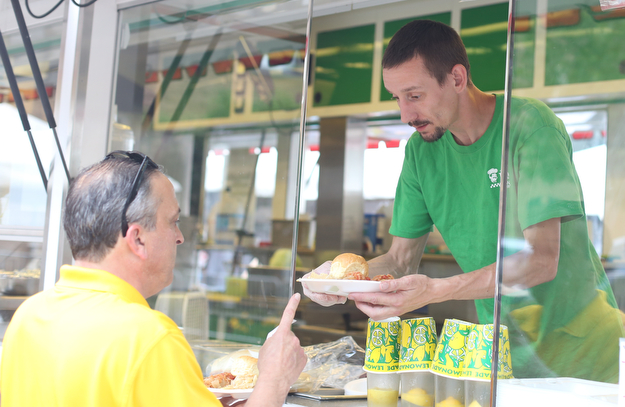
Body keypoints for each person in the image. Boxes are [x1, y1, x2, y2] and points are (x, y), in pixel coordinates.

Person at [303, 20, 625, 382]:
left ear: (457, 78)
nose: (405, 116)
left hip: (587, 360)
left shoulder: (530, 127)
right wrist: (342, 281)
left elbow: (541, 260)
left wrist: (437, 289)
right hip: (501, 357)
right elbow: (399, 260)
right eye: (397, 98)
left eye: (414, 95)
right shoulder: (421, 153)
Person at [0, 151, 307, 406]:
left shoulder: (28, 316)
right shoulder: (148, 337)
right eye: (173, 222)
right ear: (137, 239)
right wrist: (274, 379)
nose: (180, 237)